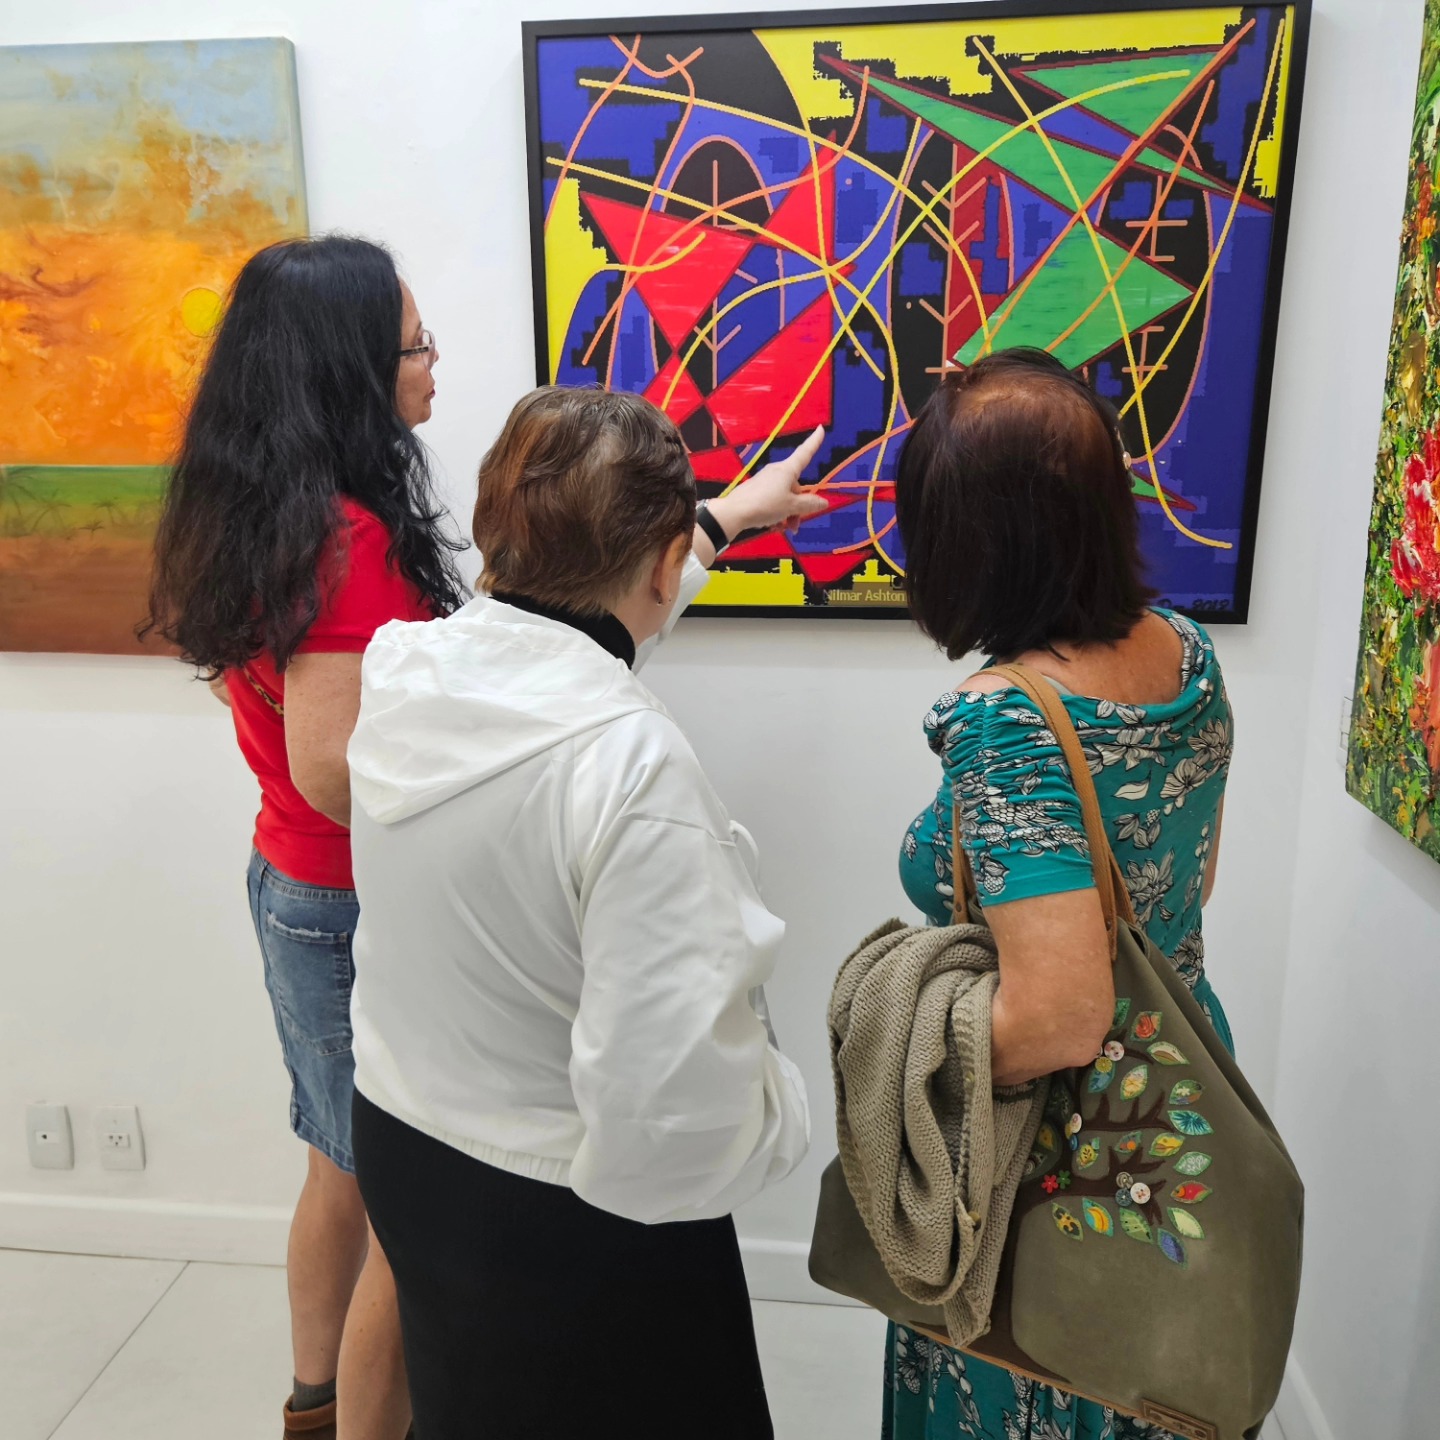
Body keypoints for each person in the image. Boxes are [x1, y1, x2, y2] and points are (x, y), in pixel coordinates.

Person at [345, 387, 825, 1440]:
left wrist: (723, 520)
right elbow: (677, 1125)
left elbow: (569, 641)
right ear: (660, 564)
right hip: (567, 1216)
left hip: (407, 1148)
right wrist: (787, 1101)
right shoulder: (630, 764)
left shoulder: (411, 671)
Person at [146, 235, 465, 1440]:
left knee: (340, 1165)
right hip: (347, 900)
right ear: (350, 371)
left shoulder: (264, 510)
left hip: (294, 881)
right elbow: (336, 770)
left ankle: (315, 1404)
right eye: (415, 347)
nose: (432, 365)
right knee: (394, 1192)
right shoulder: (346, 540)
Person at [886, 349, 1233, 1439]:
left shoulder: (1006, 721)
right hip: (1179, 1098)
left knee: (1040, 1378)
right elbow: (1185, 884)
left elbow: (1059, 1017)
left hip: (1054, 1157)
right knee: (1150, 1379)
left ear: (977, 545)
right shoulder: (1186, 653)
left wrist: (909, 1048)